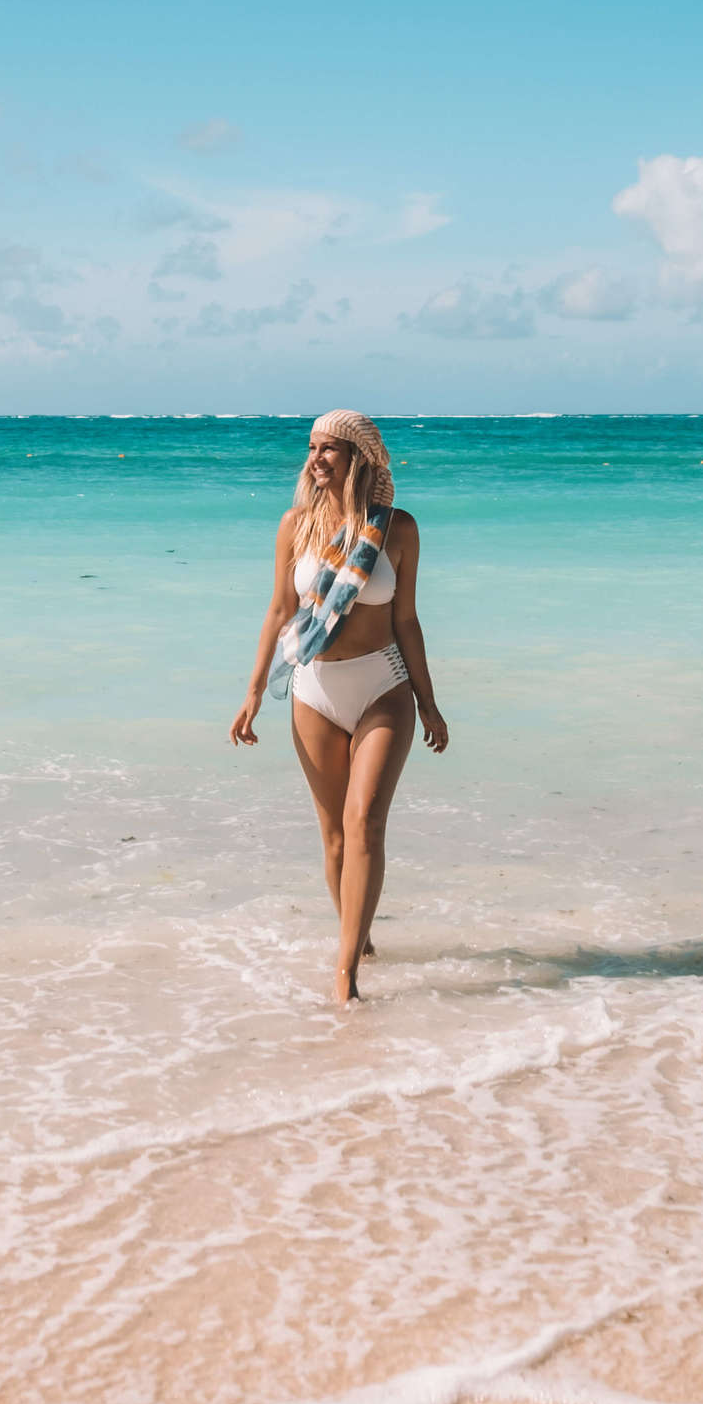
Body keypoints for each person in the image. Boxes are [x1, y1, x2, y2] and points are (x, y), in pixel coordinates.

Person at [230, 410, 448, 1002]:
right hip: (314, 690)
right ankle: (359, 937)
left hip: (383, 686)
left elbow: (406, 619)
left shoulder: (398, 529)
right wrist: (252, 693)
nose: (316, 459)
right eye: (312, 448)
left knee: (365, 824)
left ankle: (344, 972)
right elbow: (279, 612)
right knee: (332, 836)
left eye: (330, 449)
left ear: (359, 457)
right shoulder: (294, 526)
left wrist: (429, 703)